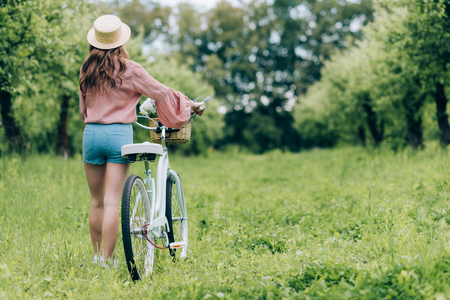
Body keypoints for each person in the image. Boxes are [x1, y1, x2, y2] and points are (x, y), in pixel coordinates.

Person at [79, 15, 205, 267]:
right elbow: (162, 92)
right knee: (113, 201)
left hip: (91, 134)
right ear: (120, 41)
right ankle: (108, 259)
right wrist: (192, 105)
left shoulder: (85, 70)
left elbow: (83, 110)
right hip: (118, 136)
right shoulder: (130, 69)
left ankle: (95, 256)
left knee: (96, 201)